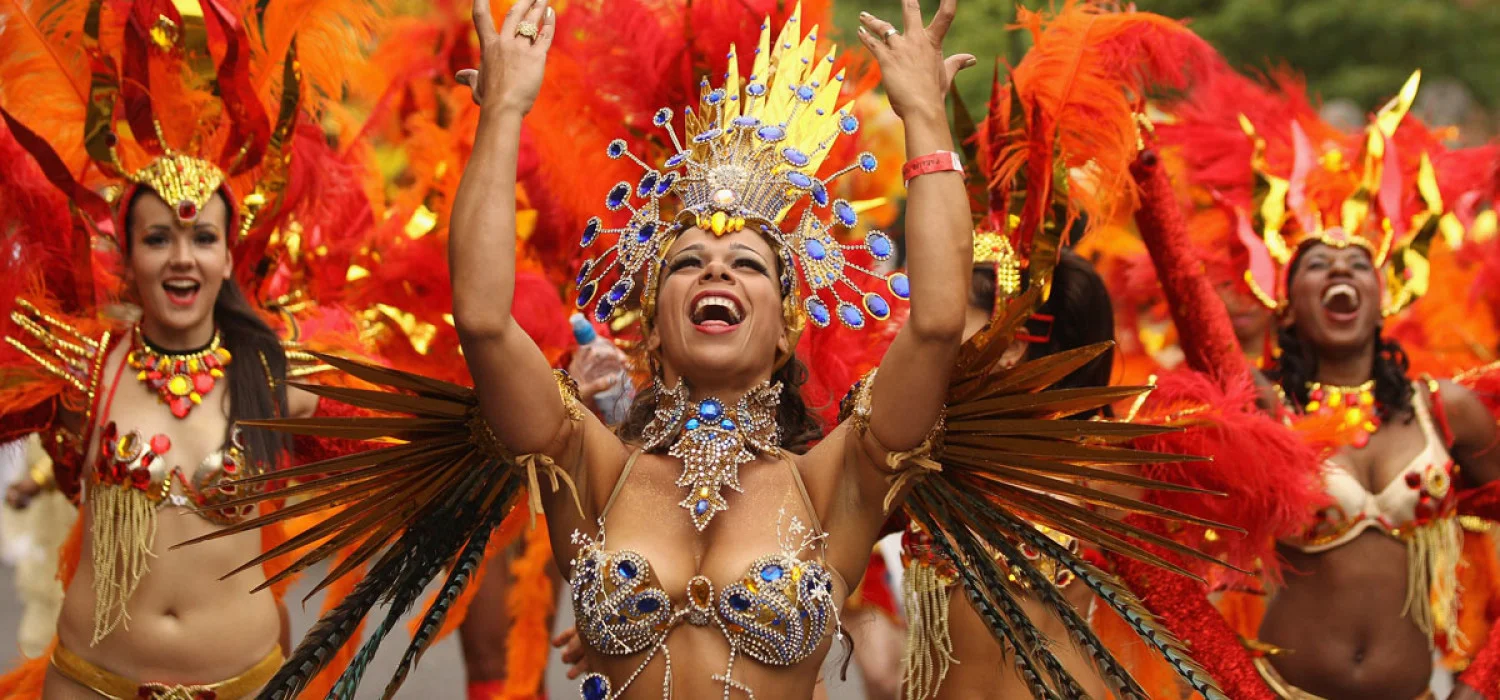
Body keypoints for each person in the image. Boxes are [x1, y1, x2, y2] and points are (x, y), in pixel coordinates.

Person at [208, 2, 1247, 699]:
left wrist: (926, 120)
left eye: (748, 263)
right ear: (653, 313)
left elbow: (936, 324)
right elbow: (483, 319)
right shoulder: (590, 467)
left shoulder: (839, 479)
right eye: (688, 262)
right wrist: (506, 111)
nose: (716, 271)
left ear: (788, 321)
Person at [0, 1, 382, 697]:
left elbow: (414, 447)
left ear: (228, 256)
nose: (182, 258)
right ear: (128, 257)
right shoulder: (81, 368)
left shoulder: (277, 375)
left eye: (202, 238)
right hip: (91, 685)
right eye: (158, 239)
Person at [1146, 63, 1500, 700]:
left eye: (1357, 264)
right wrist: (1145, 168)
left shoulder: (1446, 411)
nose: (1340, 272)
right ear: (1285, 306)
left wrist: (1482, 679)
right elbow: (1192, 301)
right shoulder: (1266, 408)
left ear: (1384, 296)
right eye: (1316, 265)